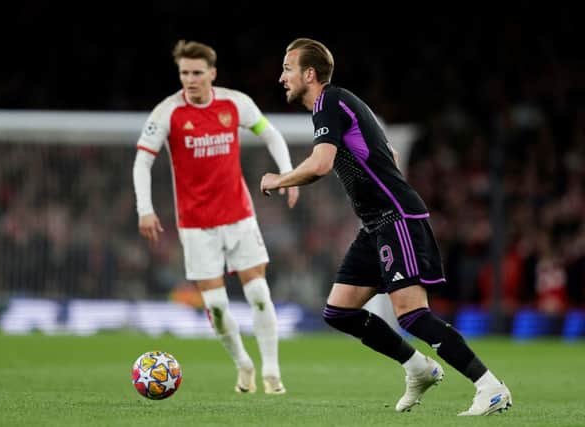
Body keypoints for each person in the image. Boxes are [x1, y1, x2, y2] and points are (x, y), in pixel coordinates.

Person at [260, 38, 513, 415]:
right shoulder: (340, 105)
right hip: (376, 224)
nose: (282, 77)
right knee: (339, 311)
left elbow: (321, 164)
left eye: (287, 68)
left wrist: (278, 180)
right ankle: (418, 368)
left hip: (397, 219)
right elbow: (388, 153)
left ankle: (489, 386)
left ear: (309, 74)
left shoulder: (330, 101)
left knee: (412, 314)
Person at [133, 40, 299, 395]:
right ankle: (243, 365)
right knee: (217, 306)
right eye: (184, 73)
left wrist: (287, 174)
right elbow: (143, 161)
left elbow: (271, 134)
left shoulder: (234, 103)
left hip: (239, 216)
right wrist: (144, 209)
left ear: (212, 73)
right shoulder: (167, 112)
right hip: (195, 225)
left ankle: (272, 373)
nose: (189, 80)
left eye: (196, 73)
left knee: (258, 293)